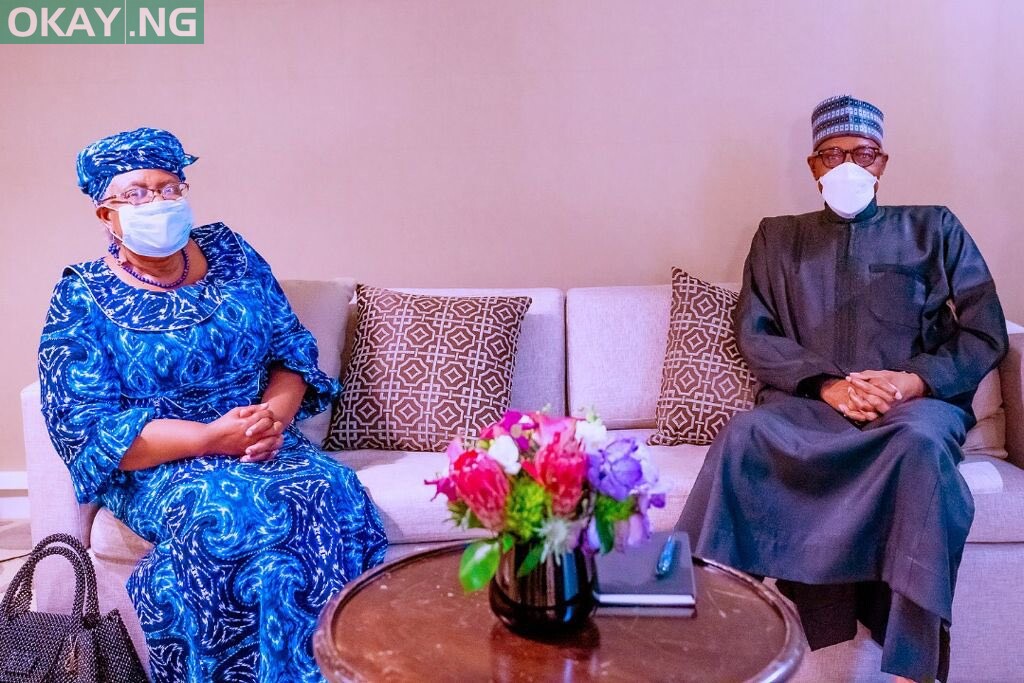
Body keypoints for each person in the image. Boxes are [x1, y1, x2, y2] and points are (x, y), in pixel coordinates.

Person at [677, 96, 1008, 682]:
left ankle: (912, 670)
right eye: (834, 154)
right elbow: (755, 332)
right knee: (744, 436)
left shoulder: (934, 227)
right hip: (810, 405)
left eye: (863, 154)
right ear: (813, 167)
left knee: (919, 452)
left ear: (883, 162)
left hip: (913, 410)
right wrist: (827, 385)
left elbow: (984, 331)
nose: (849, 165)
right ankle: (707, 643)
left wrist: (912, 381)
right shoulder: (778, 238)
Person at [38, 127, 387, 682]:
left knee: (326, 489)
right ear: (105, 214)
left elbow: (290, 354)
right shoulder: (80, 296)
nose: (156, 201)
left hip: (258, 436)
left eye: (168, 187)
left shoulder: (231, 253)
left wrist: (272, 417)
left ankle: (337, 667)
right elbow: (90, 432)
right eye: (136, 194)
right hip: (163, 462)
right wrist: (209, 438)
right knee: (231, 513)